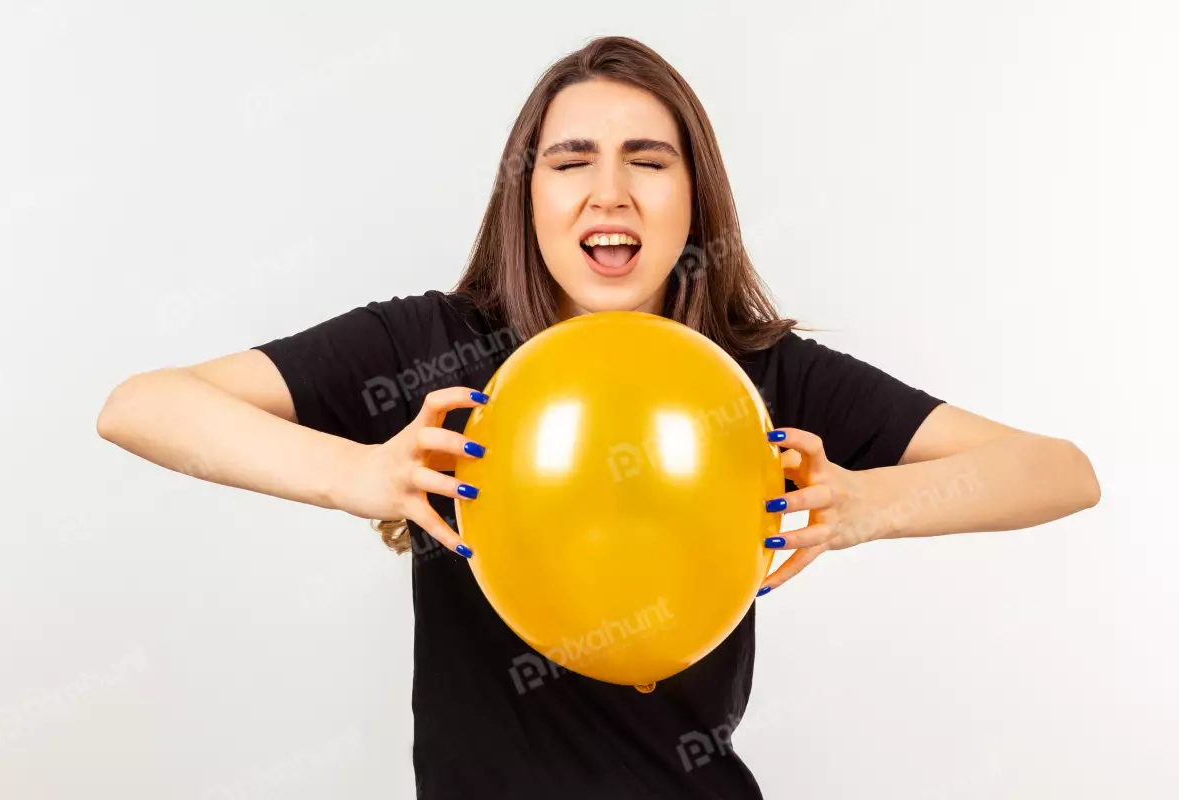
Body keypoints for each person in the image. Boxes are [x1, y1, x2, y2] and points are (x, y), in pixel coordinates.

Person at [96, 35, 1101, 800]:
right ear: (526, 194)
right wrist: (360, 473)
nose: (607, 190)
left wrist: (861, 502)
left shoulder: (759, 378)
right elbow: (141, 405)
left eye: (647, 160)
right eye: (571, 160)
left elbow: (1058, 469)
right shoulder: (429, 348)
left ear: (693, 195)